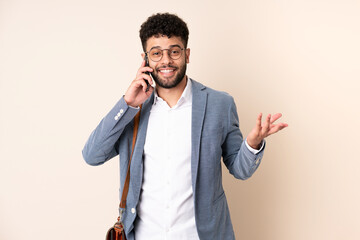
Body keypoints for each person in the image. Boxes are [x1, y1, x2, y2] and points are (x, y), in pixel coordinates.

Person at [82, 13, 288, 240]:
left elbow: (240, 170)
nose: (166, 60)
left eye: (174, 51)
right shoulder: (133, 110)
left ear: (187, 55)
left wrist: (252, 143)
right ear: (145, 59)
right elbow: (92, 156)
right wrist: (127, 103)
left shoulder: (219, 104)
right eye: (156, 53)